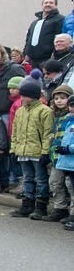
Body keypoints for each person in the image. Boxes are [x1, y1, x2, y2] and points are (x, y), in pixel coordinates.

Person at [9, 71, 54, 219]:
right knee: (27, 178)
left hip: (37, 152)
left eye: (24, 95)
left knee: (40, 179)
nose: (21, 98)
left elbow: (47, 133)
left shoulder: (44, 111)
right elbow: (16, 131)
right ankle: (27, 204)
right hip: (23, 150)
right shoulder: (20, 111)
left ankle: (41, 206)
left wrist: (45, 152)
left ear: (32, 96)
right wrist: (13, 149)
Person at [43, 85, 73, 222]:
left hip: (69, 157)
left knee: (69, 184)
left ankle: (72, 212)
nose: (59, 101)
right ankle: (59, 208)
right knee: (55, 182)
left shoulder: (70, 117)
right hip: (57, 156)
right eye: (56, 98)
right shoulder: (54, 116)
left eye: (63, 98)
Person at [24, 0, 65, 69]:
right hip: (32, 61)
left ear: (55, 5)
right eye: (46, 3)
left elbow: (60, 39)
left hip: (48, 60)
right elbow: (28, 39)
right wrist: (26, 53)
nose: (48, 4)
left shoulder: (60, 19)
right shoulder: (35, 22)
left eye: (51, 3)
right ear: (42, 5)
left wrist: (54, 57)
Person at [52, 92, 74, 230]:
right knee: (71, 189)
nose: (72, 109)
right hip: (69, 163)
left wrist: (68, 149)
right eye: (71, 106)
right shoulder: (69, 121)